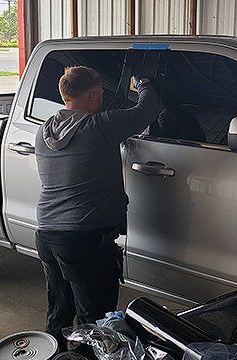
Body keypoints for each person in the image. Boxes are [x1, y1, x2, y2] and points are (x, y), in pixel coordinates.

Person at [34, 65, 161, 349]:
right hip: (85, 240)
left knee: (59, 312)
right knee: (96, 321)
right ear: (92, 95)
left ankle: (55, 353)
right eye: (101, 93)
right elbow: (148, 109)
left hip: (46, 235)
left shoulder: (43, 131)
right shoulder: (100, 126)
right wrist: (141, 82)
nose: (103, 99)